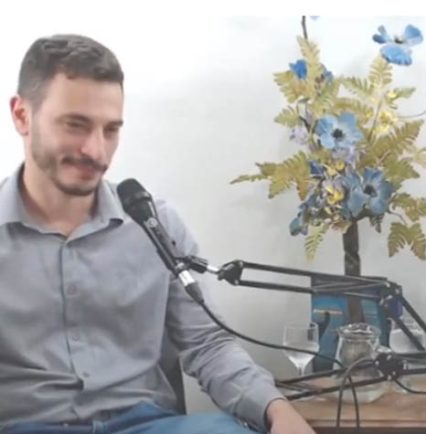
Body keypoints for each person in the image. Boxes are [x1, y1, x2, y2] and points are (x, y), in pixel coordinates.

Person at [0, 34, 315, 434]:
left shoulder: (154, 224)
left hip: (150, 424)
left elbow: (209, 345)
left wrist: (278, 411)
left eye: (110, 130)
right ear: (22, 116)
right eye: (76, 125)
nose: (96, 151)